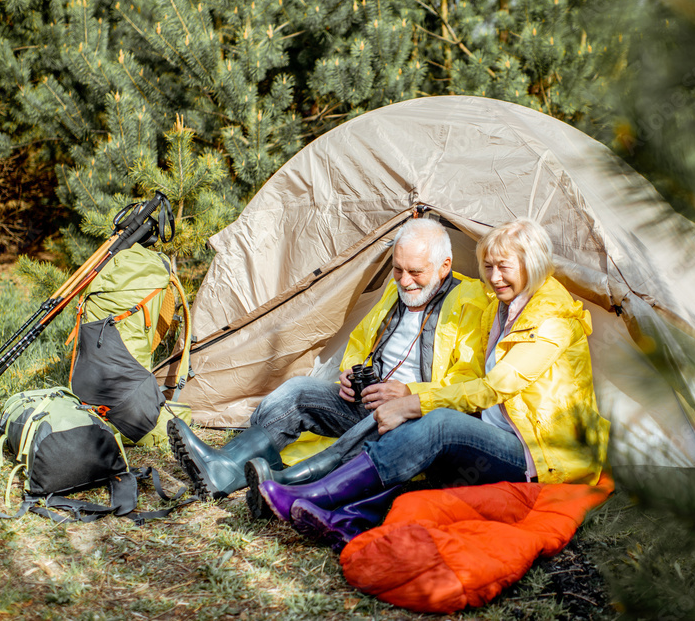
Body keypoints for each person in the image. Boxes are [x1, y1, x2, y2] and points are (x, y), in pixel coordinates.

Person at [252, 218, 610, 550]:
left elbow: (495, 387)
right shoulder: (500, 307)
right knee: (418, 427)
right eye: (488, 266)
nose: (495, 277)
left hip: (537, 452)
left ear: (532, 265)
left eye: (505, 267)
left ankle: (312, 495)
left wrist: (416, 400)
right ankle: (347, 518)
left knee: (438, 422)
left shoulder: (553, 318)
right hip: (493, 432)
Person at [167, 217, 489, 500]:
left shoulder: (469, 301)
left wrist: (410, 395)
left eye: (415, 272)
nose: (404, 281)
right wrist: (350, 372)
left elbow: (467, 383)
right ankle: (224, 467)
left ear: (444, 266)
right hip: (365, 400)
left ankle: (286, 487)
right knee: (296, 393)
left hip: (411, 417)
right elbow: (361, 340)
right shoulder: (396, 293)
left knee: (381, 421)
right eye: (397, 269)